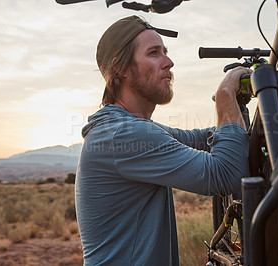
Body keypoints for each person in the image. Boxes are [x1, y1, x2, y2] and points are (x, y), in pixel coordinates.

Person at [75, 15, 251, 265]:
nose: (169, 62)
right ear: (121, 68)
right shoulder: (122, 134)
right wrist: (224, 97)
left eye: (165, 52)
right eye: (154, 53)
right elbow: (227, 174)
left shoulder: (128, 128)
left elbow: (202, 139)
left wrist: (237, 110)